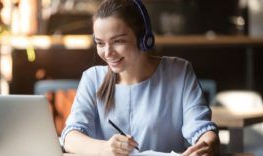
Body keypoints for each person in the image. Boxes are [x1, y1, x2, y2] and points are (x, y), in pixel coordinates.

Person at [61, 0, 220, 155]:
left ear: (144, 38)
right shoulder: (93, 78)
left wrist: (207, 147)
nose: (108, 53)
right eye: (100, 43)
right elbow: (70, 137)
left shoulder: (179, 71)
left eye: (118, 41)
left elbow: (202, 130)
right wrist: (104, 149)